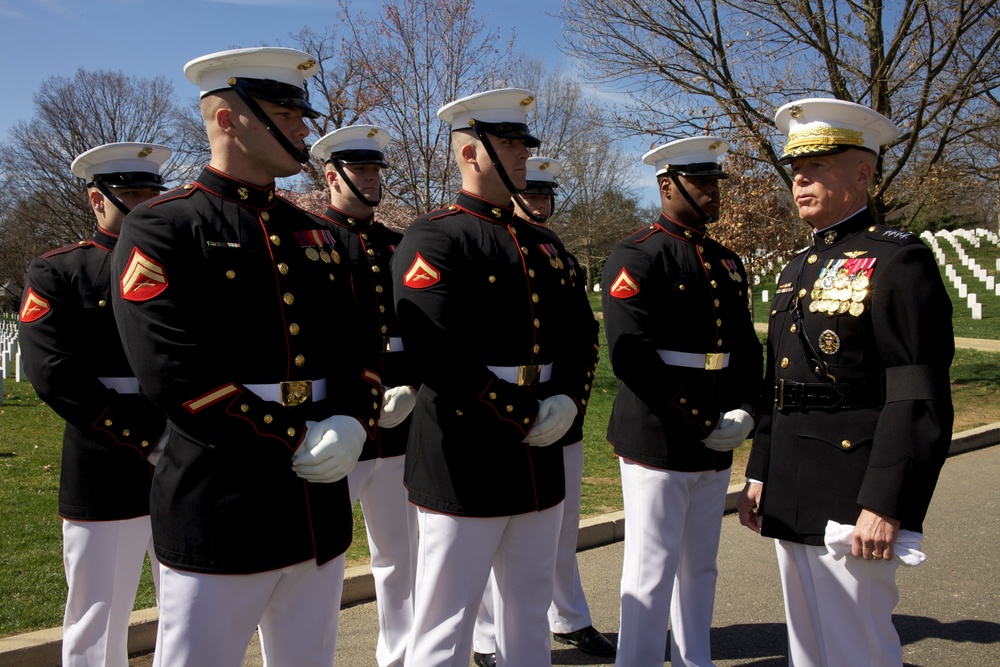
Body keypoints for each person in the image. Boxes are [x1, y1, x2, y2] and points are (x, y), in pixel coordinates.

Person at [110, 47, 382, 667]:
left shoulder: (323, 234)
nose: (303, 127)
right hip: (220, 504)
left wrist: (352, 419)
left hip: (317, 507)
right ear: (227, 118)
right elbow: (174, 372)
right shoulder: (162, 227)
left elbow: (362, 345)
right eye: (286, 114)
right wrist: (295, 437)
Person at [737, 98, 954, 666]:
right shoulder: (796, 269)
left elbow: (918, 394)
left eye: (819, 164)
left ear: (863, 172)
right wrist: (760, 471)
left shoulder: (898, 260)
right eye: (796, 169)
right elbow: (778, 383)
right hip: (791, 481)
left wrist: (886, 502)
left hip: (853, 489)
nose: (800, 179)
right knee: (808, 649)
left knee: (859, 649)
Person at [392, 88, 598, 667]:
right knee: (445, 620)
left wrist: (567, 402)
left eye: (522, 144)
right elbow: (439, 354)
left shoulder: (544, 243)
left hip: (539, 454)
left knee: (529, 611)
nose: (521, 156)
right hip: (465, 449)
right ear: (469, 154)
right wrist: (526, 412)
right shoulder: (435, 237)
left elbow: (583, 336)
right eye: (507, 145)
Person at [602, 136, 763, 667]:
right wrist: (700, 418)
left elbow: (745, 345)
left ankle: (697, 660)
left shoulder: (727, 261)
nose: (714, 193)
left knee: (701, 565)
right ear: (667, 186)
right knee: (651, 567)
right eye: (702, 183)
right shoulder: (638, 254)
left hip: (718, 432)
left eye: (717, 183)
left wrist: (746, 409)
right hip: (660, 431)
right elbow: (633, 358)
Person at [18, 142, 171, 667]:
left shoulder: (182, 264)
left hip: (185, 455)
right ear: (95, 199)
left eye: (151, 193)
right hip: (105, 458)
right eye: (129, 193)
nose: (143, 203)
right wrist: (147, 438)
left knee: (190, 602)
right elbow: (54, 374)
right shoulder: (60, 271)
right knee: (97, 611)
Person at [472, 157, 610, 667]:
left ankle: (568, 617)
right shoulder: (489, 252)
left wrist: (573, 403)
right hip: (496, 413)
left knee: (560, 525)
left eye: (544, 197)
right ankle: (487, 636)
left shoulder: (560, 257)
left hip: (558, 409)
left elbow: (584, 339)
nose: (537, 204)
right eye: (529, 196)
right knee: (493, 530)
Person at [311, 125, 418, 667]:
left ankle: (400, 654)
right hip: (339, 423)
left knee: (401, 554)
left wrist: (416, 387)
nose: (374, 178)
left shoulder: (399, 245)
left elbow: (424, 331)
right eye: (363, 170)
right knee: (320, 557)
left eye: (378, 169)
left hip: (400, 422)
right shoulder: (310, 240)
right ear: (332, 176)